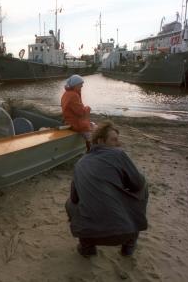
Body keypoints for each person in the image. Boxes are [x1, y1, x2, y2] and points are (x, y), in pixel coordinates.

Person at [65, 121, 148, 257]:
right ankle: (129, 246)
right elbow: (138, 185)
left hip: (90, 233)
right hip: (124, 232)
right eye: (114, 140)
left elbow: (74, 198)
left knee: (69, 203)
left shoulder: (80, 163)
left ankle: (87, 247)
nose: (118, 144)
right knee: (144, 185)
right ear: (100, 141)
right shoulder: (118, 154)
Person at [61, 74, 95, 152]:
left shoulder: (66, 94)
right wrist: (88, 108)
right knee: (90, 135)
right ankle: (92, 151)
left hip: (69, 120)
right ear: (75, 85)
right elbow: (81, 112)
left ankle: (89, 148)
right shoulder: (73, 96)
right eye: (81, 84)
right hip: (75, 123)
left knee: (92, 125)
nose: (82, 86)